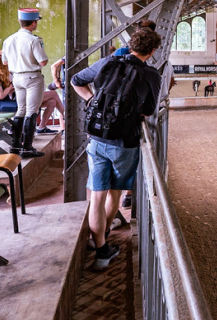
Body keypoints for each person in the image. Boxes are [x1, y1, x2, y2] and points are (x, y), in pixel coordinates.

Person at [71, 28, 162, 271]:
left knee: (97, 196)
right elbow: (149, 110)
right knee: (114, 194)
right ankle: (104, 244)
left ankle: (100, 245)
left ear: (131, 45)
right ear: (152, 52)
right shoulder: (151, 74)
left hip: (97, 138)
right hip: (125, 142)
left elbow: (76, 80)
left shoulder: (108, 62)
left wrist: (91, 100)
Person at [1, 8, 48, 158]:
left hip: (17, 77)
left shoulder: (8, 40)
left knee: (20, 109)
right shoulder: (34, 40)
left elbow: (5, 61)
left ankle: (15, 146)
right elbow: (43, 62)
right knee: (32, 111)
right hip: (32, 77)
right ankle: (27, 147)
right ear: (34, 23)